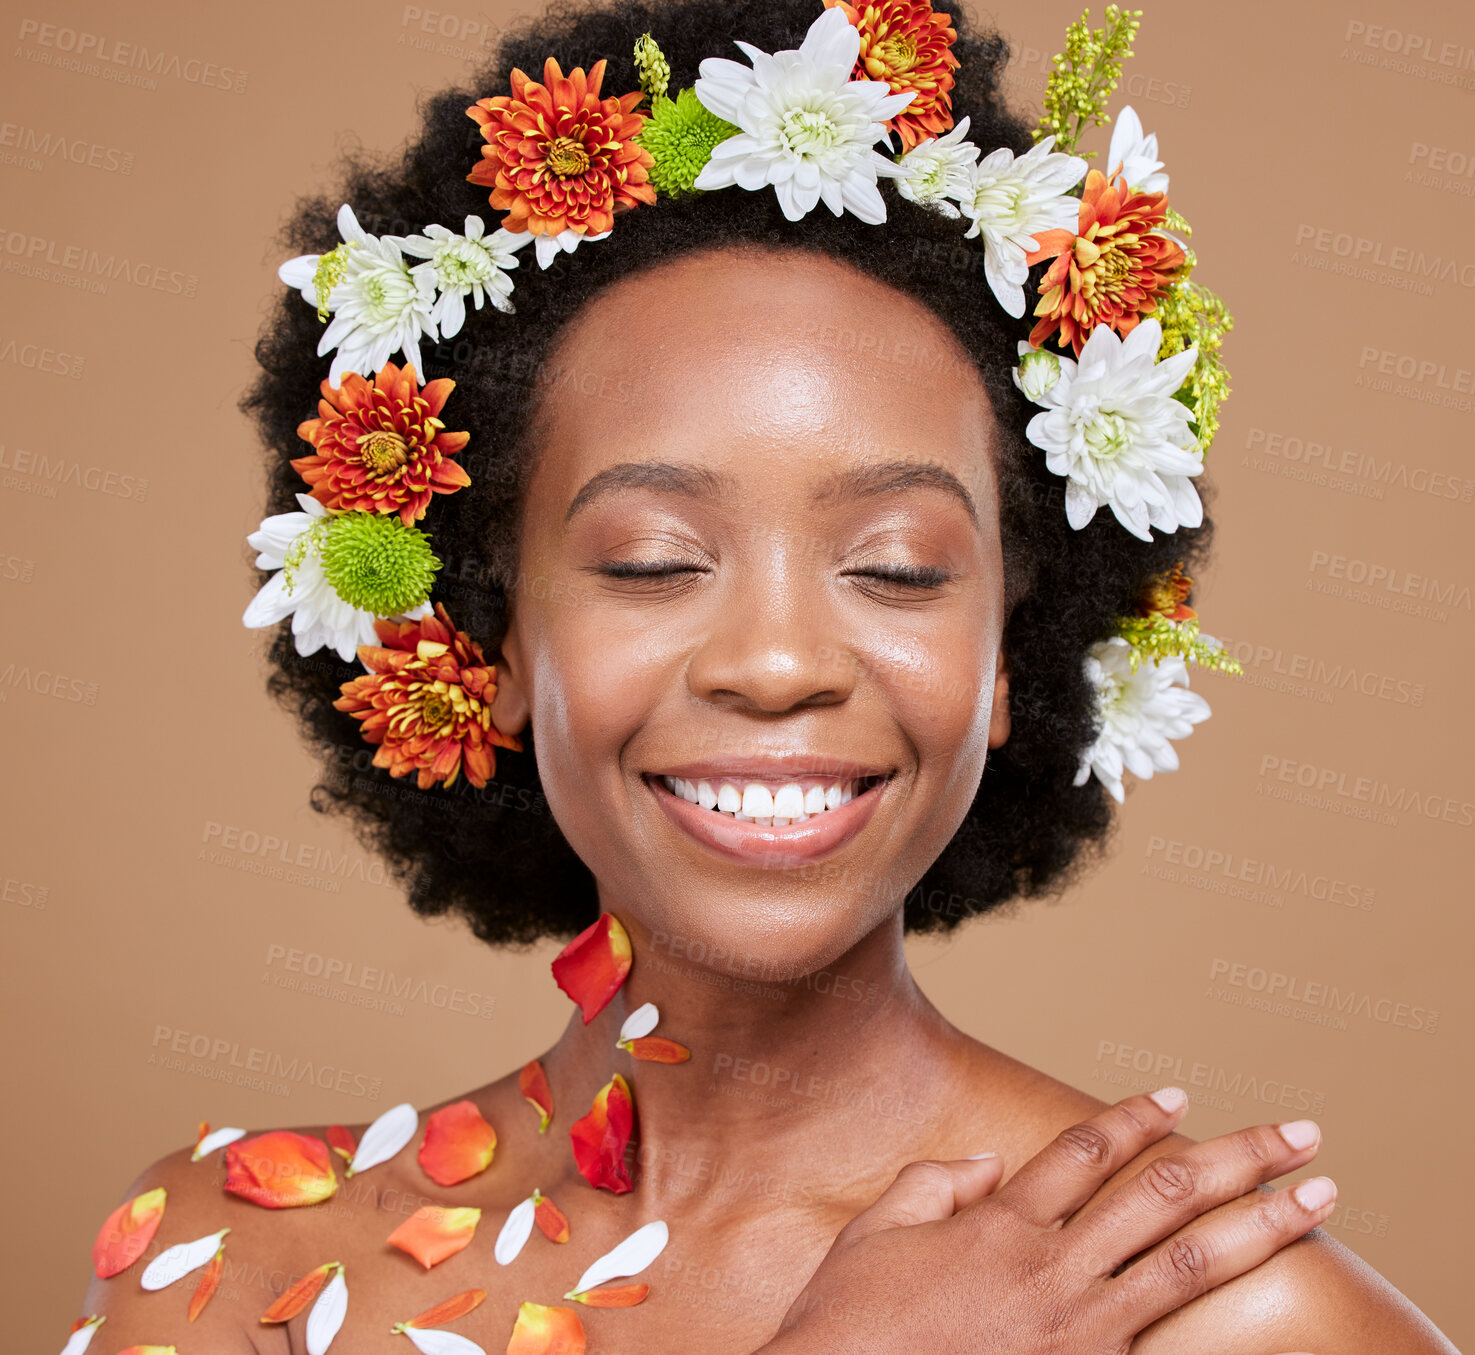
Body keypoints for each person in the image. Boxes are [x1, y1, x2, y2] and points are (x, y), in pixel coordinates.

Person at [69, 1, 1459, 1351]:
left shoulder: (1211, 1317)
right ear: (492, 645)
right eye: (655, 560)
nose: (776, 663)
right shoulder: (229, 1260)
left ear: (1008, 661)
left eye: (900, 566)